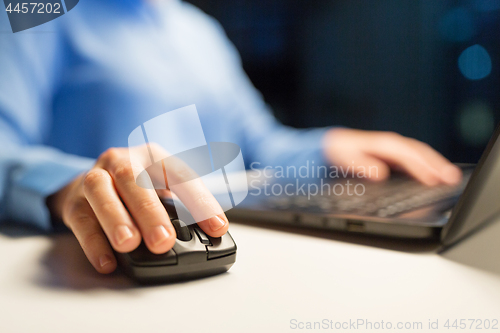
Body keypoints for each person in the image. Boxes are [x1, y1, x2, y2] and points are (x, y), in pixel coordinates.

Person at [0, 0, 462, 274]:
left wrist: (327, 145)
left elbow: (257, 148)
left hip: (240, 259)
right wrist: (70, 185)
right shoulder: (29, 11)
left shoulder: (199, 29)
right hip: (94, 259)